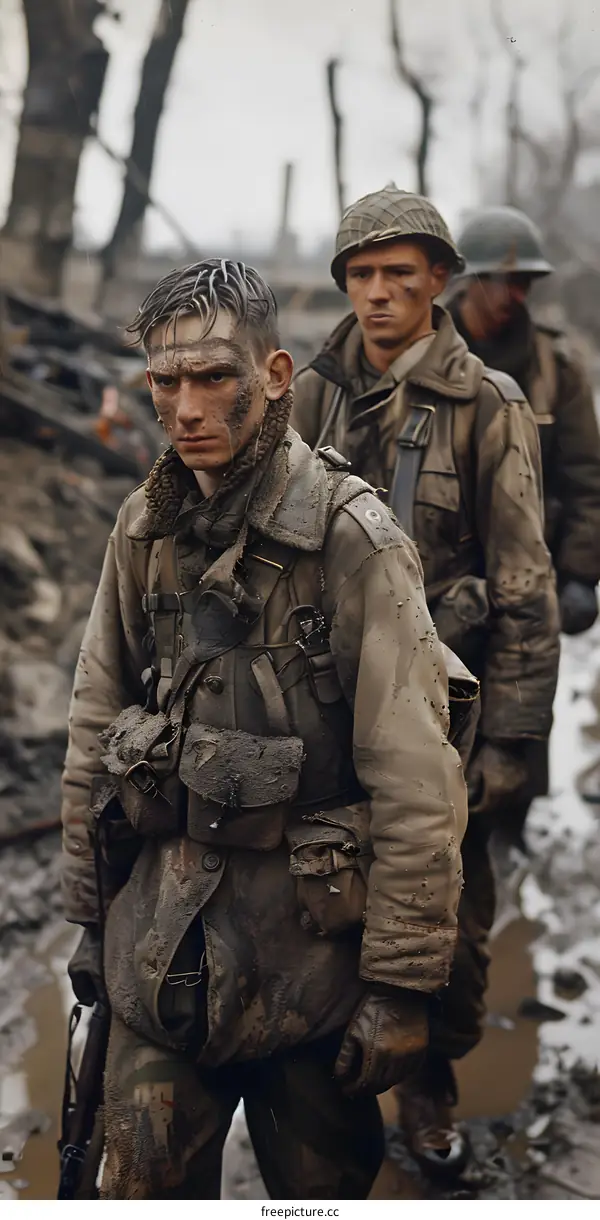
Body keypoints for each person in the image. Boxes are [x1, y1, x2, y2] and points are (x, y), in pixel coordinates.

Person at [61, 258, 469, 1200]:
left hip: (313, 976)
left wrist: (402, 987)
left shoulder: (352, 541)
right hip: (160, 959)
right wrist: (89, 919)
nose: (187, 407)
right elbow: (91, 732)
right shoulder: (143, 531)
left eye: (216, 378)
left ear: (275, 376)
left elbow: (417, 779)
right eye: (166, 381)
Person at [291, 186, 560, 1176]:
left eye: (399, 276)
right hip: (329, 711)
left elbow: (525, 586)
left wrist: (511, 742)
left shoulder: (487, 403)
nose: (377, 296)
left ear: (440, 283)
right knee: (322, 896)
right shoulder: (310, 393)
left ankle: (430, 1081)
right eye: (360, 276)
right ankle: (327, 1090)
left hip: (449, 720)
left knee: (451, 921)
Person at [449, 206, 600, 818]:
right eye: (504, 280)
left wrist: (579, 574)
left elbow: (587, 479)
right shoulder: (429, 353)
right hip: (443, 572)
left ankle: (507, 836)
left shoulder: (554, 367)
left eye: (525, 283)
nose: (517, 294)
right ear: (469, 281)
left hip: (526, 579)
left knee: (517, 728)